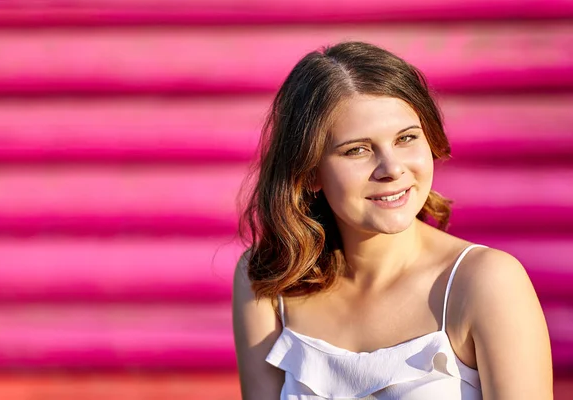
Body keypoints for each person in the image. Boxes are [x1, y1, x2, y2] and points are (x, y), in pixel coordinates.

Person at [232, 41, 552, 399]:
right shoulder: (267, 278)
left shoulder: (486, 281)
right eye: (358, 150)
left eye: (406, 138)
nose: (393, 169)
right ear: (309, 172)